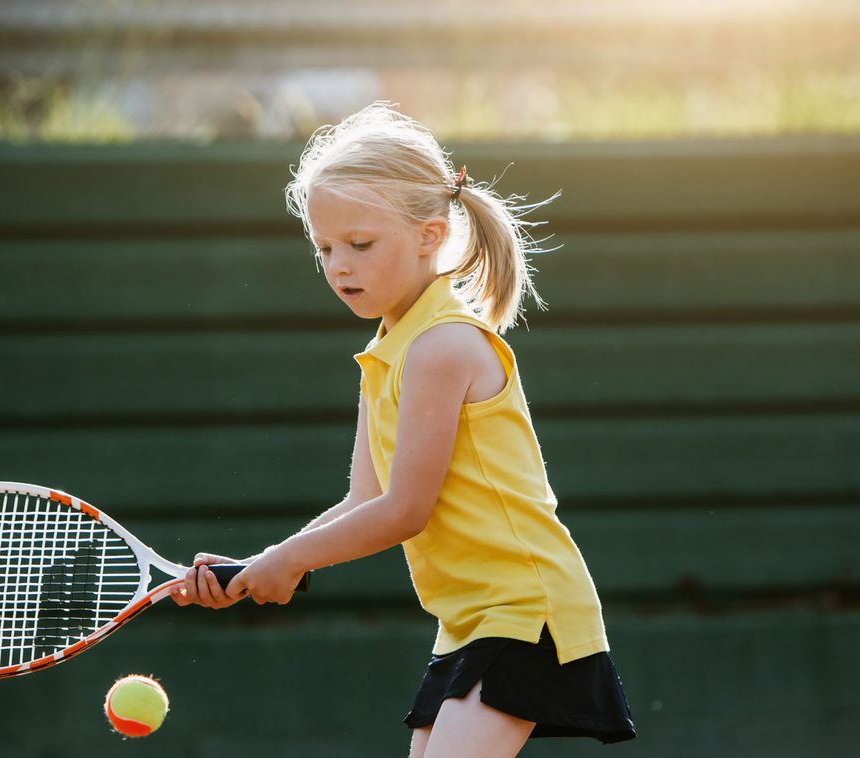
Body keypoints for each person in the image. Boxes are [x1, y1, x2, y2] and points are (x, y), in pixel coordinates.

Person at [173, 100, 637, 756]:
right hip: (467, 620)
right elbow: (362, 500)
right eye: (324, 248)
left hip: (523, 611)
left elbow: (405, 510)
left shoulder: (441, 347)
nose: (339, 266)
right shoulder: (385, 350)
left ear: (429, 234)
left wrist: (289, 560)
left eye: (359, 245)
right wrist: (259, 565)